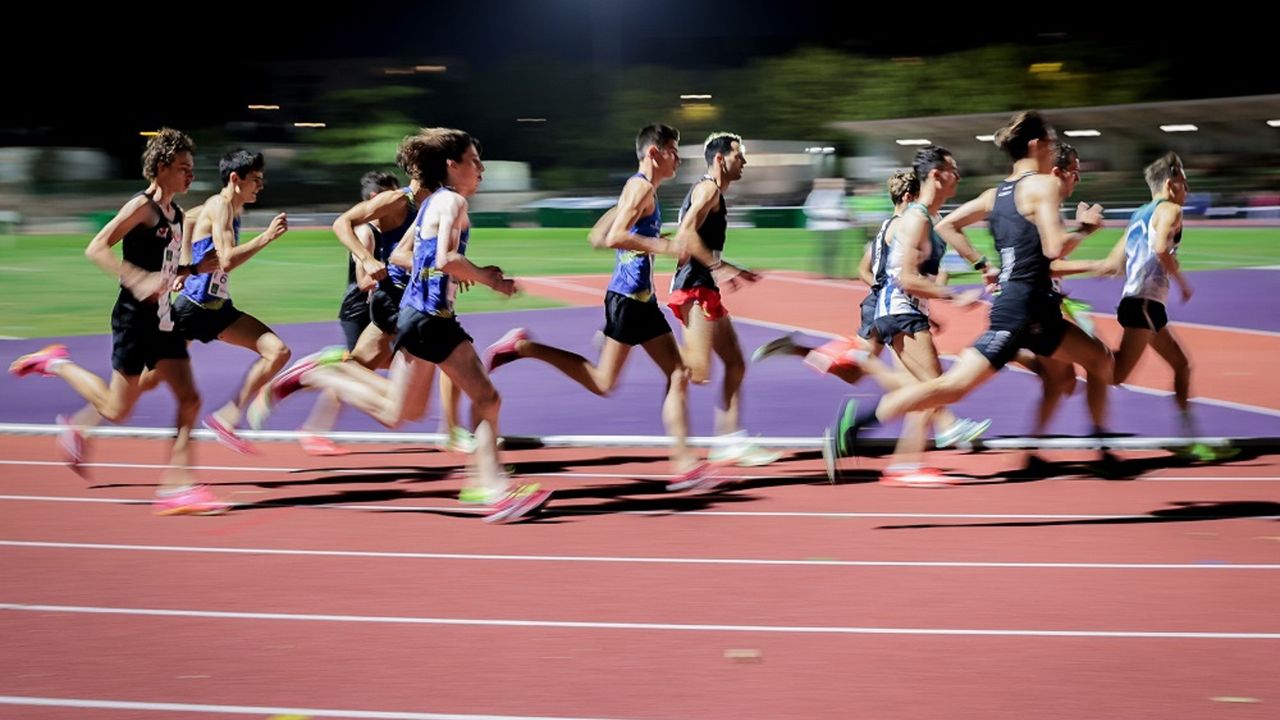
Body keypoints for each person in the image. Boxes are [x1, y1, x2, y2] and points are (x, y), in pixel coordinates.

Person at [484, 124, 723, 492]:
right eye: (673, 150)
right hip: (629, 299)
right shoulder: (640, 186)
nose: (678, 157)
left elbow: (597, 236)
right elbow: (612, 238)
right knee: (633, 378)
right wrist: (663, 246)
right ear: (654, 153)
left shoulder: (640, 190)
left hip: (638, 298)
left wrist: (630, 223)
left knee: (652, 375)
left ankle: (685, 465)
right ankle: (685, 464)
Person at [9, 128, 227, 514]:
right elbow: (96, 247)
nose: (190, 175)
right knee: (116, 410)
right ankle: (55, 362)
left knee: (191, 399)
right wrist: (135, 278)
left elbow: (165, 268)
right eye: (183, 168)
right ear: (161, 168)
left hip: (163, 320)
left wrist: (193, 268)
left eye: (191, 168)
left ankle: (177, 486)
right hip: (133, 321)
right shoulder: (141, 207)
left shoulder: (176, 215)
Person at [667, 131, 778, 466]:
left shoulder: (712, 191)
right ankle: (636, 340)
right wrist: (721, 267)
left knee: (735, 363)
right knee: (696, 372)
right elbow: (684, 235)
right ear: (719, 159)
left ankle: (729, 442)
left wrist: (729, 269)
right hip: (693, 286)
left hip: (705, 284)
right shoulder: (708, 189)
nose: (743, 161)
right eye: (738, 155)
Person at [174, 149, 290, 454]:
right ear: (236, 179)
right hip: (191, 309)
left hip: (218, 309)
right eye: (256, 180)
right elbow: (226, 261)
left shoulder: (230, 208)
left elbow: (186, 219)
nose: (260, 186)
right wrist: (266, 238)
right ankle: (75, 405)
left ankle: (228, 417)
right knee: (142, 381)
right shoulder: (221, 204)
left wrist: (185, 265)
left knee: (277, 352)